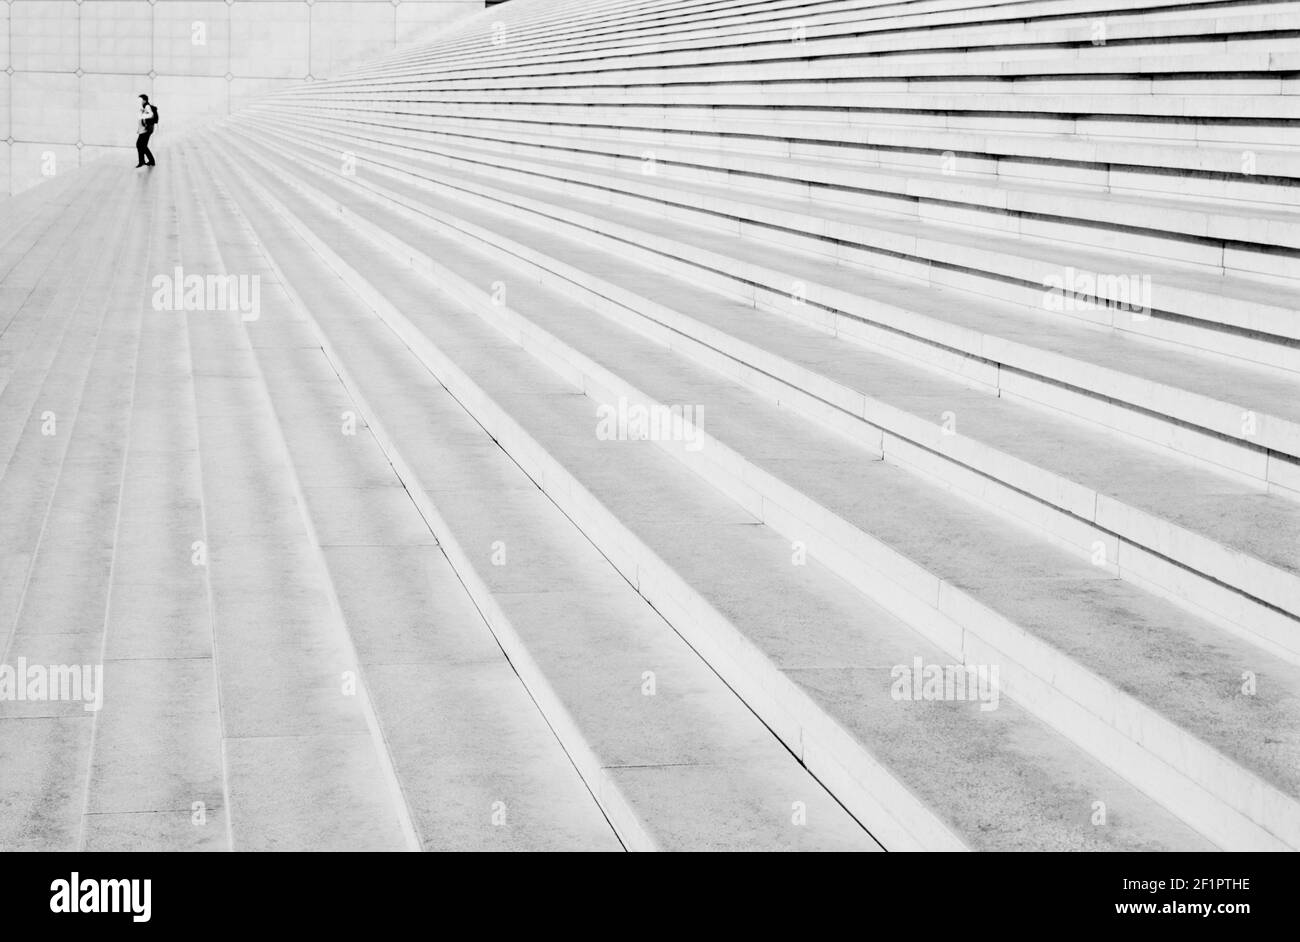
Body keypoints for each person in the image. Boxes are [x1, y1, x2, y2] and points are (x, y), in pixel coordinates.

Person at [135, 94, 157, 168]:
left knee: (140, 145)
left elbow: (150, 115)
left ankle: (144, 161)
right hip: (144, 130)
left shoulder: (147, 107)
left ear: (144, 100)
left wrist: (145, 122)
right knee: (142, 146)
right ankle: (147, 161)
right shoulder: (145, 107)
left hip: (145, 130)